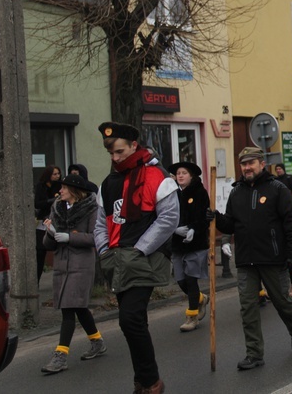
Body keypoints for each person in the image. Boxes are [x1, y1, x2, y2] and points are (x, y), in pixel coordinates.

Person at [94, 122, 178, 394]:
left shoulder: (157, 175)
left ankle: (151, 381)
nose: (115, 158)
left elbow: (168, 219)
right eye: (111, 154)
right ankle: (142, 380)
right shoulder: (108, 183)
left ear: (133, 145)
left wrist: (140, 249)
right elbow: (99, 224)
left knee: (129, 319)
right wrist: (104, 251)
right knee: (134, 322)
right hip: (116, 260)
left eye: (119, 151)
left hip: (145, 258)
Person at [214, 147, 292, 370]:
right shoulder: (236, 193)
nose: (247, 168)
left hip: (272, 258)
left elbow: (291, 224)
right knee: (248, 308)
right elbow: (230, 224)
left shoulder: (277, 189)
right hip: (245, 260)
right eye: (243, 164)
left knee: (282, 303)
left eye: (251, 163)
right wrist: (215, 218)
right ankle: (254, 354)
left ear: (262, 164)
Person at [40, 174, 106, 374]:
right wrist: (51, 234)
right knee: (78, 307)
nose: (60, 191)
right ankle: (97, 342)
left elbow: (95, 237)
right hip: (61, 265)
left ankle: (61, 356)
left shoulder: (91, 209)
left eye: (64, 188)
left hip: (81, 265)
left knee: (69, 308)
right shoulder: (57, 208)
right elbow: (47, 244)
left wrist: (69, 237)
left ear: (75, 191)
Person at [168, 161, 210, 333]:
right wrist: (174, 229)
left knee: (191, 279)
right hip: (178, 244)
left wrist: (194, 229)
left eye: (184, 173)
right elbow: (167, 216)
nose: (180, 175)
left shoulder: (200, 192)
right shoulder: (173, 194)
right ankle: (200, 298)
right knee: (181, 280)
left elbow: (204, 217)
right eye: (178, 173)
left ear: (191, 176)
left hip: (196, 244)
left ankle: (192, 316)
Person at [34, 164, 62, 283]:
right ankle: (36, 281)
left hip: (57, 220)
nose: (57, 176)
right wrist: (51, 200)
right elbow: (38, 203)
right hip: (43, 220)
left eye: (58, 174)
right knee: (40, 251)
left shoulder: (60, 186)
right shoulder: (41, 186)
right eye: (54, 174)